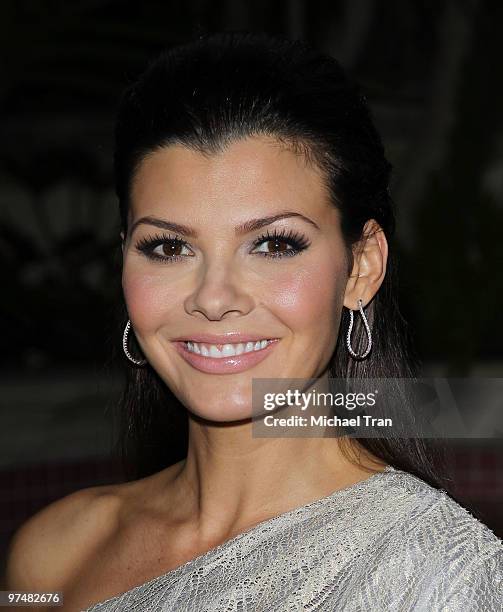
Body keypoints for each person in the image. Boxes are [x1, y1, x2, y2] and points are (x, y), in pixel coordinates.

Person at [4, 31, 502, 611]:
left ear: (361, 267)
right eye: (168, 248)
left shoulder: (441, 578)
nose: (214, 299)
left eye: (273, 245)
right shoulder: (49, 560)